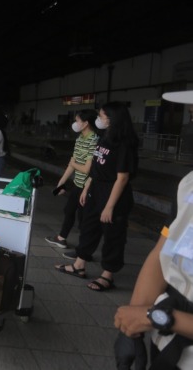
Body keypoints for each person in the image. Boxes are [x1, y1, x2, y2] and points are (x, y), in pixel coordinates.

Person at [114, 90, 193, 369]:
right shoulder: (189, 184)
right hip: (166, 341)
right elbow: (163, 249)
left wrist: (159, 317)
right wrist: (131, 327)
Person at [55, 101, 139, 292]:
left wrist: (109, 206)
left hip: (114, 193)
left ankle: (107, 275)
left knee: (113, 235)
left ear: (112, 118)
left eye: (101, 116)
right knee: (89, 227)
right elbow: (96, 167)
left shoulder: (124, 144)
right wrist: (87, 188)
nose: (99, 120)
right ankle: (79, 265)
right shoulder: (105, 138)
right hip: (96, 189)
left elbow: (122, 178)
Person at [45, 109, 99, 249]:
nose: (75, 123)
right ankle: (61, 238)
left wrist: (74, 164)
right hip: (78, 183)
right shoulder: (80, 139)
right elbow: (72, 164)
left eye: (77, 121)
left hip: (88, 186)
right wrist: (61, 182)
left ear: (86, 123)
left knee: (83, 218)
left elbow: (87, 169)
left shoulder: (94, 140)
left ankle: (83, 249)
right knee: (69, 210)